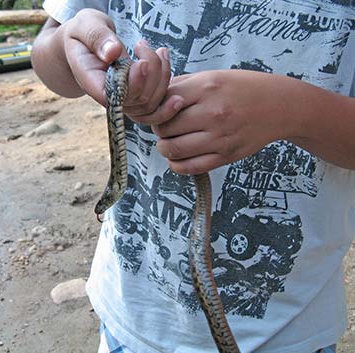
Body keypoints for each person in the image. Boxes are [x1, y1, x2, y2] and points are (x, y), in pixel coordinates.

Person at [31, 1, 355, 352]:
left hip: (288, 336)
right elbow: (48, 47)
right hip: (128, 321)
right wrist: (68, 42)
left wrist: (291, 110)